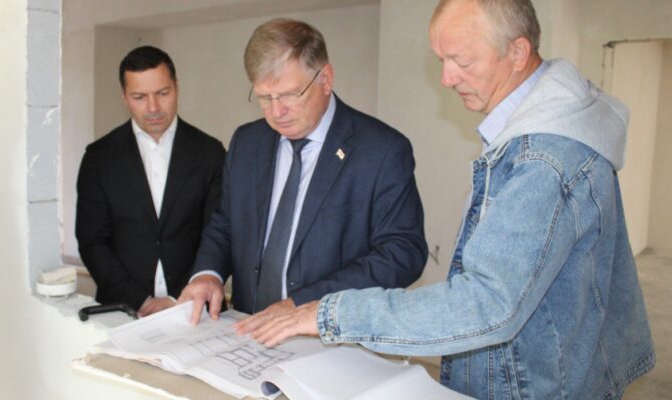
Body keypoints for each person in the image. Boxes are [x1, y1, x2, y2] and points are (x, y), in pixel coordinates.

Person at [246, 1, 656, 398]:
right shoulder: (540, 129)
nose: (446, 78)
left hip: (532, 384)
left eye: (461, 61)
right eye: (442, 60)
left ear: (517, 53)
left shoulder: (543, 158)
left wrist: (329, 313)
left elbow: (485, 303)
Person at [179, 18, 428, 329]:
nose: (276, 112)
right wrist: (208, 273)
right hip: (248, 331)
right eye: (265, 98)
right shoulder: (247, 142)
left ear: (325, 79)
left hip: (331, 340)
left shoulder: (381, 150)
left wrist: (304, 304)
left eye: (289, 95)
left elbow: (402, 253)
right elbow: (226, 223)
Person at [76, 46, 226, 317]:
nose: (153, 107)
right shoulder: (99, 157)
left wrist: (177, 298)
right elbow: (92, 241)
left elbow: (218, 232)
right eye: (139, 97)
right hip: (122, 309)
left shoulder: (210, 152)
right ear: (124, 97)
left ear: (176, 87)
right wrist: (141, 301)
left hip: (196, 308)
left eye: (162, 93)